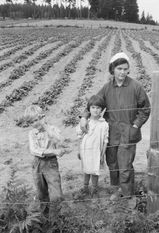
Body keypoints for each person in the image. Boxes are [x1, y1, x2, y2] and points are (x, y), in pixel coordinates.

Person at [80, 52, 150, 200]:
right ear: (113, 69)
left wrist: (136, 125)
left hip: (128, 132)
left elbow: (145, 109)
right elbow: (95, 103)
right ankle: (117, 188)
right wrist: (84, 117)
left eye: (125, 69)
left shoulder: (135, 87)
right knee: (112, 163)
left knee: (125, 165)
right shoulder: (107, 88)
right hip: (111, 132)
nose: (122, 72)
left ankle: (127, 193)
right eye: (119, 69)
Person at [28, 105, 71, 217]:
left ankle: (57, 217)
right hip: (37, 163)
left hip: (50, 163)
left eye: (37, 119)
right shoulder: (32, 133)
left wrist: (47, 128)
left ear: (43, 117)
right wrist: (54, 151)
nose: (35, 123)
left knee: (56, 192)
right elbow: (34, 150)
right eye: (32, 121)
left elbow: (60, 140)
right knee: (41, 192)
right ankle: (45, 216)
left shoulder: (52, 129)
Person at [75, 95, 109, 199]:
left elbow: (105, 141)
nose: (95, 110)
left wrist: (102, 155)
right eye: (93, 107)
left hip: (97, 151)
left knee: (95, 170)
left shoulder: (104, 124)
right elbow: (79, 137)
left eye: (98, 108)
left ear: (102, 110)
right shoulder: (86, 122)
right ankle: (85, 188)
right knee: (86, 169)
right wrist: (79, 150)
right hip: (86, 150)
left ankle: (94, 189)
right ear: (89, 109)